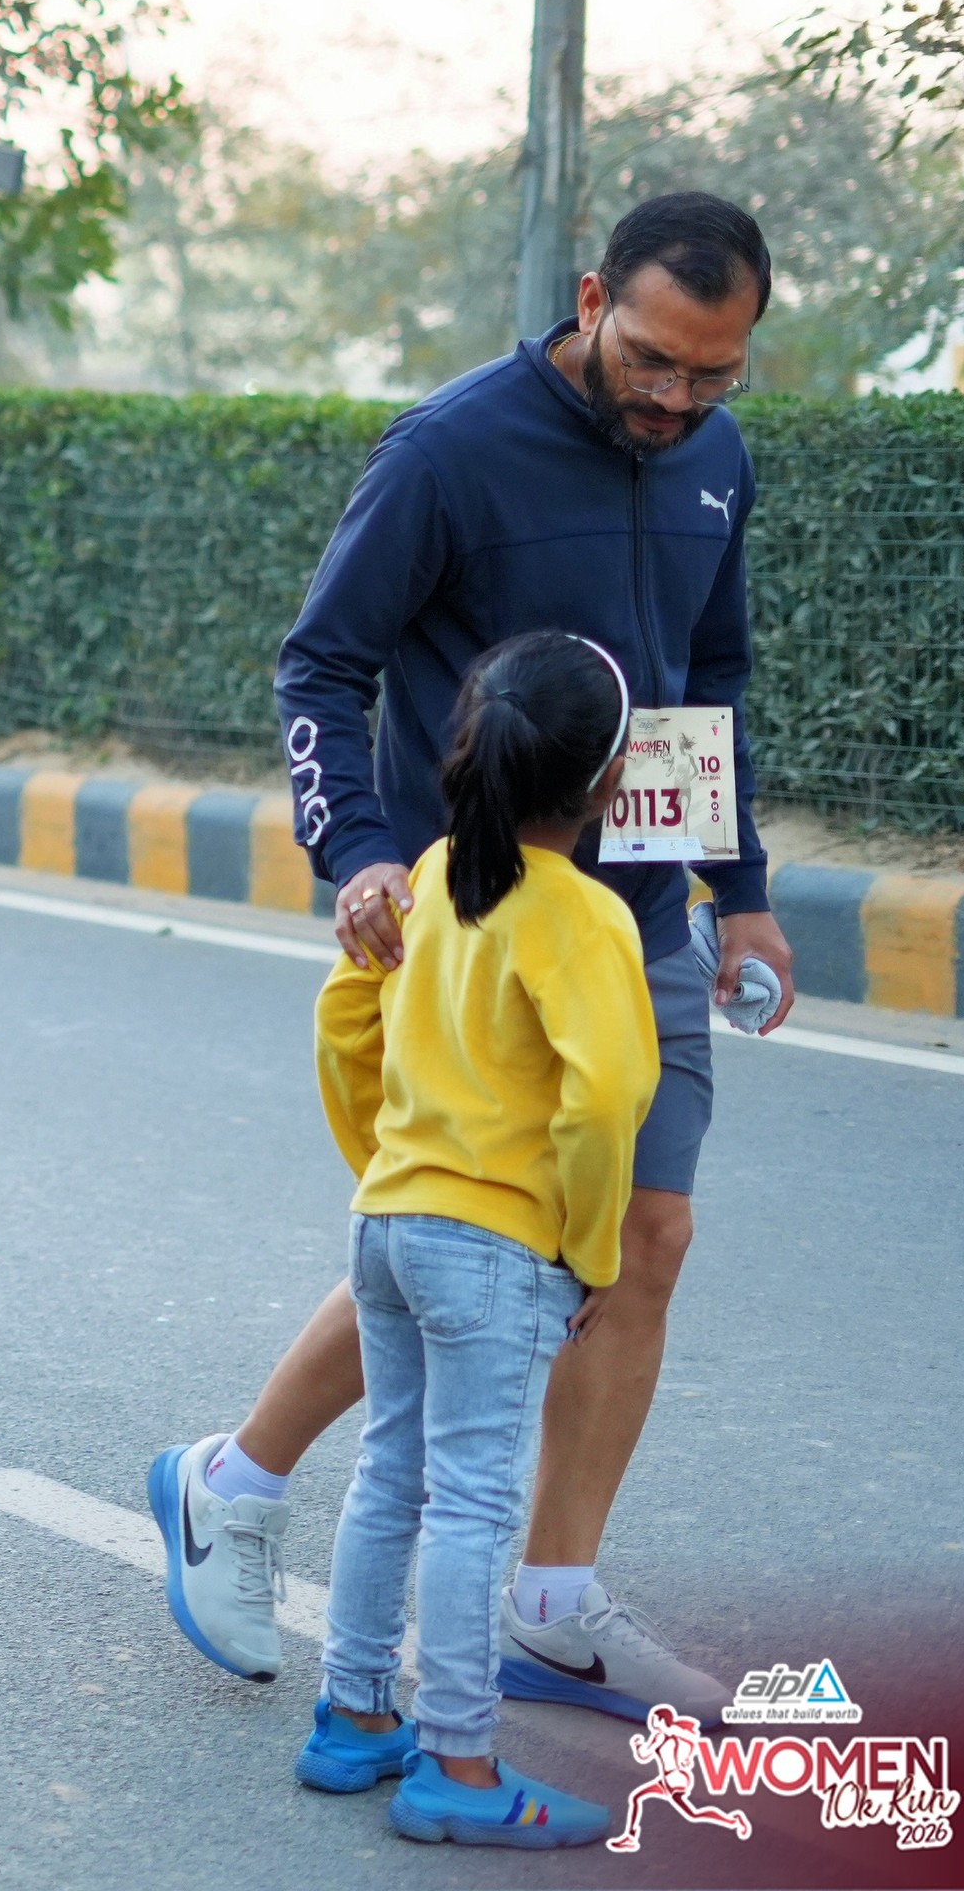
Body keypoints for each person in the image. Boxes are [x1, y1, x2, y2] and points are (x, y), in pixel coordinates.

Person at [150, 191, 795, 1718]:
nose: (677, 398)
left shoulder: (714, 459)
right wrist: (360, 854)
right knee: (476, 1243)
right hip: (483, 922)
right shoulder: (448, 450)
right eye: (653, 360)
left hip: (640, 920)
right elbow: (323, 663)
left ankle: (552, 1605)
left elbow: (707, 677)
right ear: (592, 297)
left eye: (715, 372)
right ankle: (235, 1484)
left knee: (645, 1239)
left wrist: (742, 885)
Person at [294, 631, 651, 1852]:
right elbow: (604, 1100)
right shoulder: (585, 917)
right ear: (608, 783)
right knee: (472, 1506)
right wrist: (592, 1250)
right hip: (495, 1249)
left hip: (389, 1224)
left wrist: (385, 1167)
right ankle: (458, 1762)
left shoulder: (432, 876)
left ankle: (354, 1718)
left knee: (391, 1473)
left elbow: (345, 1020)